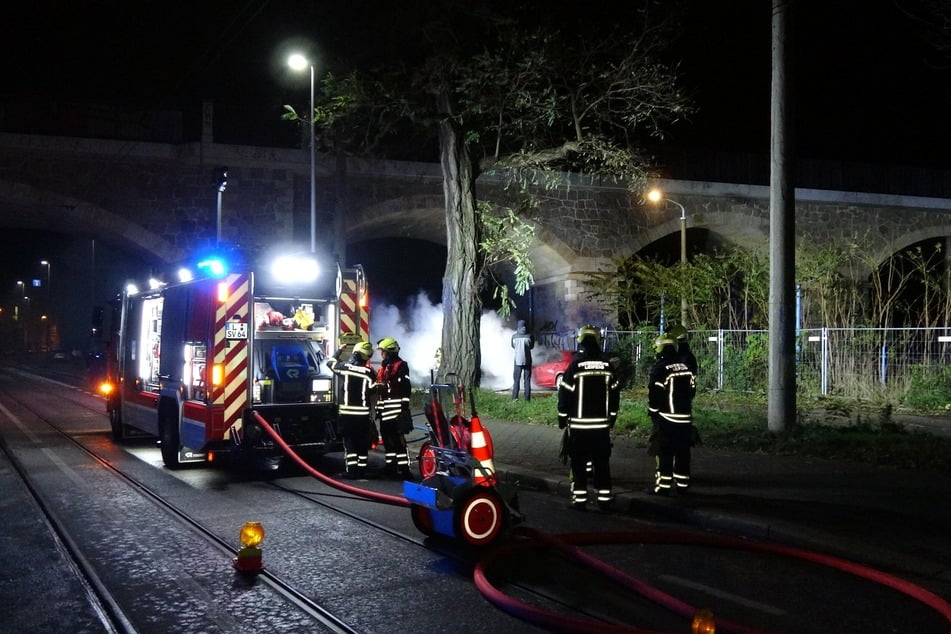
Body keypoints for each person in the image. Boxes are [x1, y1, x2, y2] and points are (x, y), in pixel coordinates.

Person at [557, 324, 620, 511]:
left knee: (578, 463)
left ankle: (580, 500)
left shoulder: (575, 366)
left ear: (581, 342)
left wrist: (562, 417)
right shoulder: (607, 366)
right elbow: (615, 394)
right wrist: (613, 417)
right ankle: (605, 500)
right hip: (601, 428)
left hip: (579, 427)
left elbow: (564, 393)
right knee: (602, 463)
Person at [647, 334, 696, 495]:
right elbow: (692, 390)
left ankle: (663, 486)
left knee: (665, 452)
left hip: (667, 418)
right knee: (683, 452)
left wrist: (654, 413)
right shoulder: (685, 367)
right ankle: (682, 485)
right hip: (685, 418)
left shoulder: (660, 368)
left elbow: (655, 395)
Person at [326, 341, 376, 480]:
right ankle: (362, 469)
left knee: (350, 442)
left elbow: (330, 363)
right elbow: (373, 390)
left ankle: (352, 471)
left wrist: (339, 350)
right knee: (362, 442)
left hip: (347, 415)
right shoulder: (370, 373)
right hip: (363, 415)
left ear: (355, 353)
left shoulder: (345, 367)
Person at [375, 337, 413, 478]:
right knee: (387, 440)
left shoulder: (401, 366)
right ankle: (390, 466)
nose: (381, 354)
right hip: (385, 410)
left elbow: (405, 387)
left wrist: (404, 405)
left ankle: (404, 470)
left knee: (398, 441)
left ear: (389, 352)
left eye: (383, 351)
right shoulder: (384, 367)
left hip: (396, 410)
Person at [511, 319, 535, 401]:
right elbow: (532, 347)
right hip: (527, 361)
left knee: (516, 380)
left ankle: (515, 398)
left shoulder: (514, 337)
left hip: (517, 361)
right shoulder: (530, 336)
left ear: (518, 327)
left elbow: (513, 346)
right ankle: (527, 399)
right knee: (527, 380)